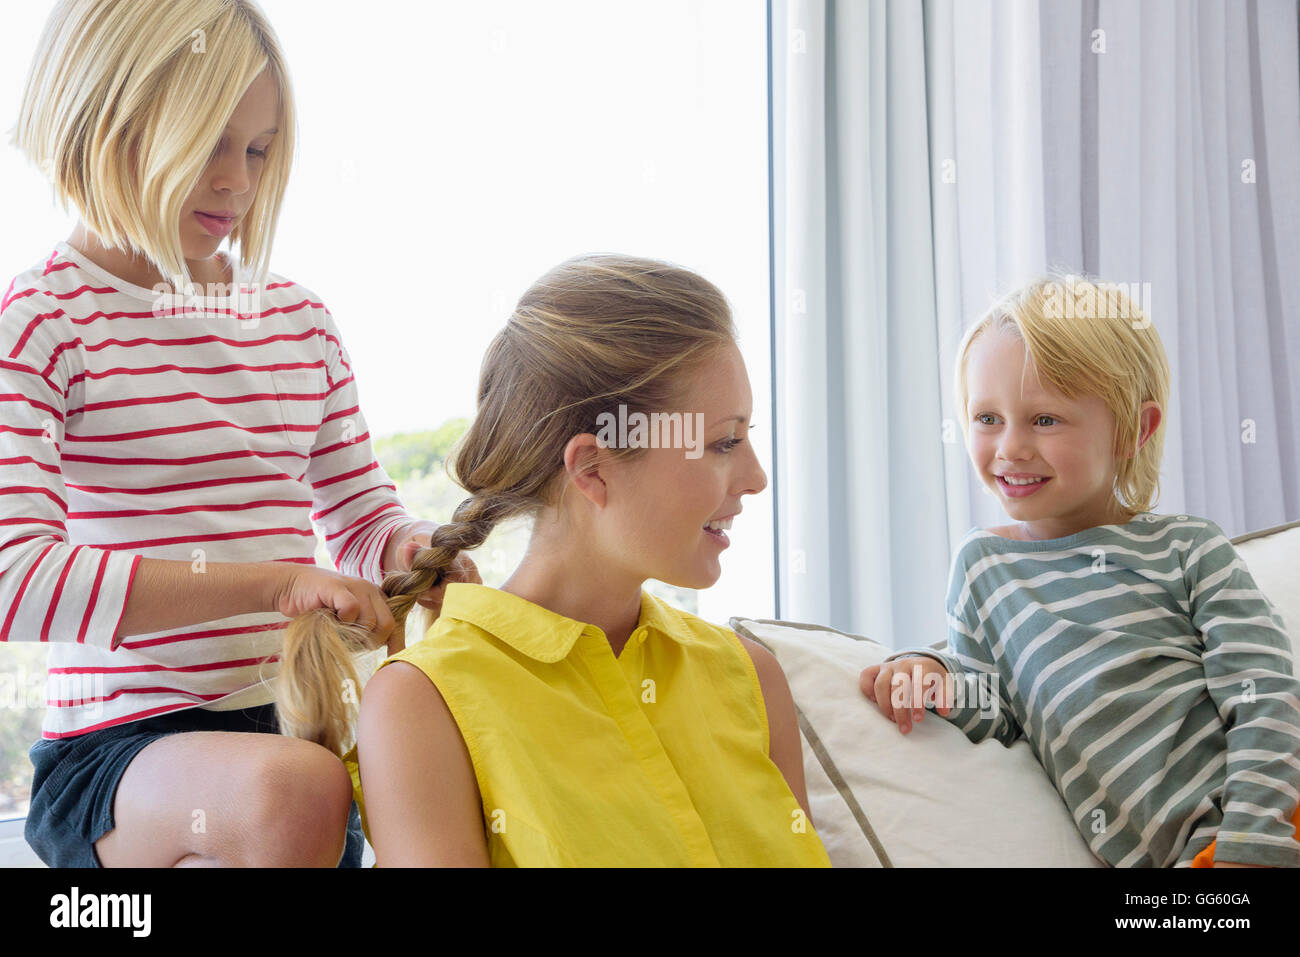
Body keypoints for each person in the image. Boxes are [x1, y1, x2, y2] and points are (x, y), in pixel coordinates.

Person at [5, 0, 474, 868]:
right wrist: (278, 584)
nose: (238, 183)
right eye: (208, 145)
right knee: (294, 792)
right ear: (100, 125)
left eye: (258, 150)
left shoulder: (300, 322)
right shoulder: (41, 322)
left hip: (293, 733)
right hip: (119, 755)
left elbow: (361, 520)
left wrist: (411, 547)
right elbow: (15, 579)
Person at [278, 254, 832, 866]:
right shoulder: (423, 705)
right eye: (724, 442)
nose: (756, 477)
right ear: (593, 469)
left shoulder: (751, 677)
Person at [861, 276, 1300, 868]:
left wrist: (1253, 843)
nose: (1010, 447)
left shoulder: (1189, 549)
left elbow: (1265, 691)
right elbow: (998, 712)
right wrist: (932, 674)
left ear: (1134, 430)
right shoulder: (984, 568)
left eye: (1044, 419)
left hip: (1267, 833)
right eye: (987, 417)